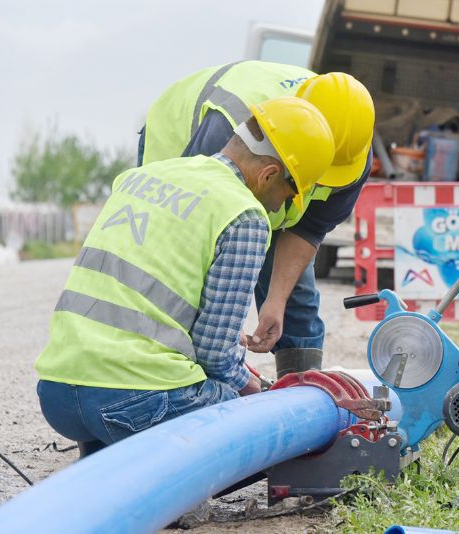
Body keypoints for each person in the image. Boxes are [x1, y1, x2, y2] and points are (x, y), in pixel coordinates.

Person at [35, 96, 335, 457]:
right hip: (133, 401)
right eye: (290, 192)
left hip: (57, 394)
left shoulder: (139, 178)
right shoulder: (245, 215)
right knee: (251, 411)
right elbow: (214, 356)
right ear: (269, 174)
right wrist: (258, 389)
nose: (283, 206)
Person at [139, 61, 375, 378]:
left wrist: (275, 300)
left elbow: (309, 228)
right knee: (179, 290)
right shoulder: (236, 130)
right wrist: (219, 322)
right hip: (182, 146)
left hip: (268, 164)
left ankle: (301, 391)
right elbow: (193, 237)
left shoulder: (351, 151)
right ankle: (176, 380)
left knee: (296, 298)